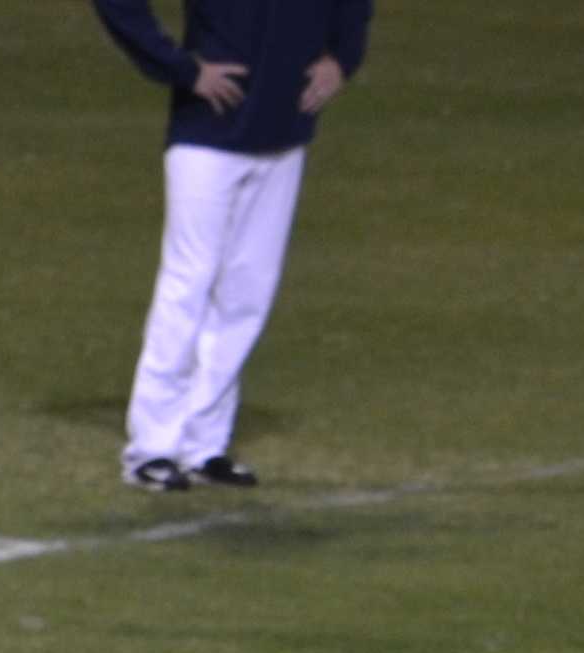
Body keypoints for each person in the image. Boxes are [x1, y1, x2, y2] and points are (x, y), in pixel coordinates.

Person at [88, 0, 372, 491]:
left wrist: (343, 58)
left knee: (248, 292)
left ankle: (205, 444)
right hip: (208, 134)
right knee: (189, 283)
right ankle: (152, 449)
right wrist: (178, 68)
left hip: (283, 134)